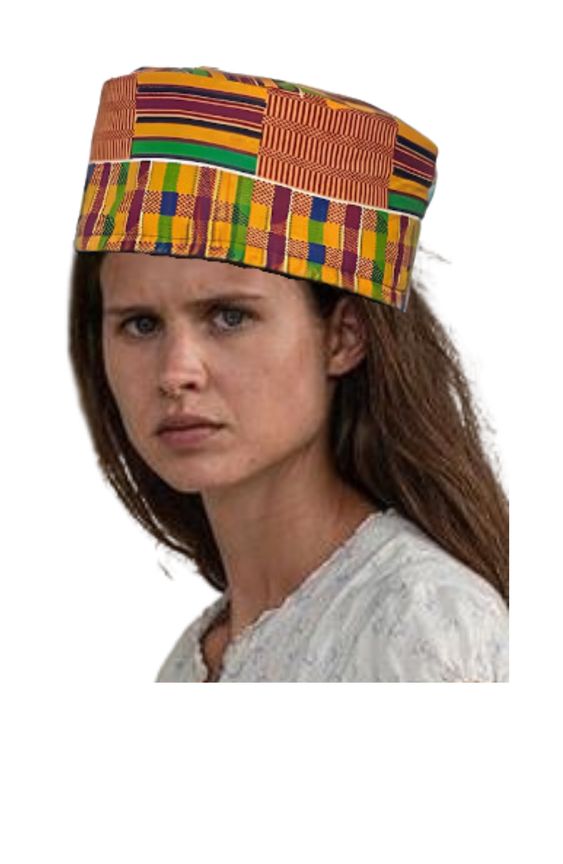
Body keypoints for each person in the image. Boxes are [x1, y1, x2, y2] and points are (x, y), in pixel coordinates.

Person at [69, 65, 509, 683]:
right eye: (140, 324)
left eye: (229, 316)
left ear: (344, 336)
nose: (175, 373)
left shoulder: (423, 626)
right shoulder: (193, 661)